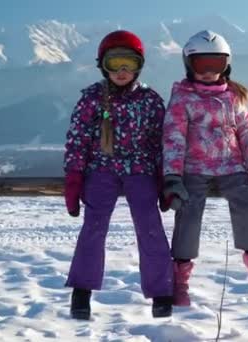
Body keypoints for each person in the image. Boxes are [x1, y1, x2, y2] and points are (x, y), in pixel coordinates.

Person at [162, 30, 248, 307]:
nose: (207, 72)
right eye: (201, 65)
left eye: (215, 65)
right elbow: (173, 137)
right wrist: (172, 176)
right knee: (188, 213)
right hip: (194, 167)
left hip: (232, 165)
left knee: (246, 204)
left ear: (226, 65)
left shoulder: (233, 97)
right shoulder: (182, 98)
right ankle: (179, 279)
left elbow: (247, 134)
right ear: (188, 65)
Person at [63, 30, 173, 319]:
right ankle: (81, 291)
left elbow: (161, 142)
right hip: (102, 169)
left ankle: (161, 293)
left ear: (140, 66)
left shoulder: (150, 101)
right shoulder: (92, 99)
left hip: (140, 170)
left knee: (150, 227)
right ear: (103, 65)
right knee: (93, 227)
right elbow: (78, 139)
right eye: (115, 63)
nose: (122, 71)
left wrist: (164, 178)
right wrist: (75, 177)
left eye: (129, 63)